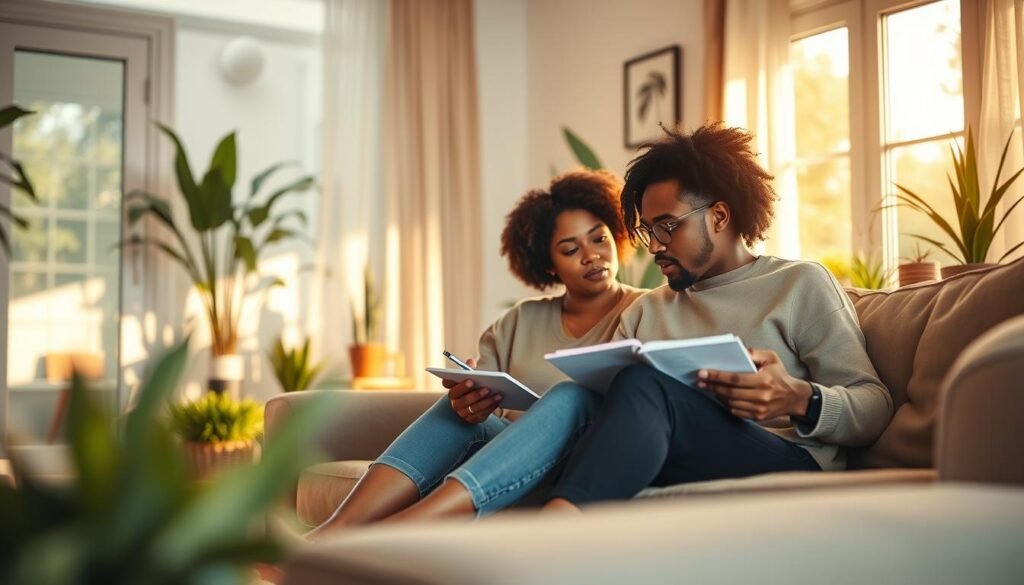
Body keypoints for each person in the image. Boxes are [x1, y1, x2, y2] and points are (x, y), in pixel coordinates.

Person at [539, 124, 893, 510]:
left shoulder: (798, 284)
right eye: (648, 230)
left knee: (646, 384)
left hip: (788, 464)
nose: (655, 245)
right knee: (582, 399)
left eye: (667, 227)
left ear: (719, 216)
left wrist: (797, 398)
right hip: (672, 457)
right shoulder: (645, 311)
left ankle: (556, 524)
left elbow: (874, 406)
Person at [310, 169, 645, 534]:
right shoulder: (520, 320)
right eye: (570, 249)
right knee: (454, 413)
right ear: (548, 263)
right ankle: (334, 529)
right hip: (503, 464)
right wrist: (467, 399)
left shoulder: (646, 310)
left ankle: (390, 535)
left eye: (599, 239)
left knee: (569, 396)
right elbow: (478, 412)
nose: (592, 256)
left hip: (584, 461)